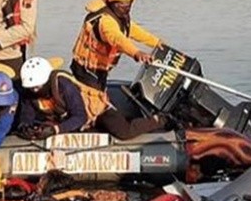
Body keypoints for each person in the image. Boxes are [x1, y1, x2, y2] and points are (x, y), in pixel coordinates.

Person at [16, 57, 167, 140]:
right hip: (67, 118)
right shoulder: (31, 92)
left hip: (97, 113)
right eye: (31, 88)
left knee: (124, 132)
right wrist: (25, 125)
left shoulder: (64, 86)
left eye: (37, 87)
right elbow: (27, 111)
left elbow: (80, 116)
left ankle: (158, 120)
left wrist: (55, 130)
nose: (34, 90)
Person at [70, 0, 164, 90]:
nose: (126, 9)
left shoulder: (120, 17)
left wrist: (156, 42)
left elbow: (133, 30)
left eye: (128, 5)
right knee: (94, 102)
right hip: (86, 69)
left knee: (100, 93)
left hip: (99, 69)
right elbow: (117, 39)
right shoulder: (106, 22)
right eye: (122, 5)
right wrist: (136, 52)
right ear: (112, 3)